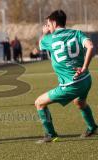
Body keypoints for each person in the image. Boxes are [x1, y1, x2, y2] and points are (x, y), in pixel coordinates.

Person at [35, 10, 97, 143]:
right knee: (80, 102)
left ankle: (50, 134)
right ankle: (92, 127)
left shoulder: (49, 39)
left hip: (71, 84)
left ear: (53, 22)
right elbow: (90, 47)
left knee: (39, 103)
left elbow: (40, 45)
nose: (47, 26)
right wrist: (85, 67)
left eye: (48, 23)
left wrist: (44, 33)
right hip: (86, 79)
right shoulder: (77, 33)